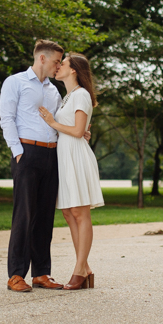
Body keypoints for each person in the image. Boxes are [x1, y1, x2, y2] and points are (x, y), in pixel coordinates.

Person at [0, 40, 67, 292]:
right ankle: (16, 274)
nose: (58, 66)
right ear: (42, 58)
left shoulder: (53, 91)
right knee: (24, 215)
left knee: (45, 216)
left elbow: (60, 120)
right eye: (56, 61)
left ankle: (41, 273)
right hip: (26, 153)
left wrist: (81, 131)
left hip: (51, 155)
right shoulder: (15, 82)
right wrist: (18, 152)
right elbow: (6, 118)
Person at [37, 53, 103, 290]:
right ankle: (85, 269)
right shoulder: (68, 97)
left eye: (62, 64)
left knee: (79, 211)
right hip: (63, 157)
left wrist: (52, 122)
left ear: (73, 70)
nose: (57, 67)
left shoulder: (82, 94)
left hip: (76, 156)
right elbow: (79, 129)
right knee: (67, 212)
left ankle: (79, 270)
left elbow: (76, 131)